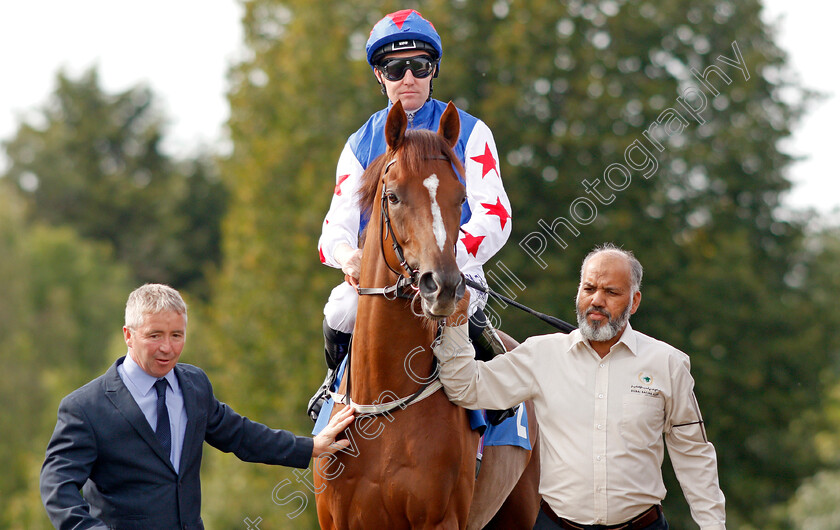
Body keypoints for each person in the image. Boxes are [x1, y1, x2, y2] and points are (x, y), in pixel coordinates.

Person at [310, 8, 513, 423]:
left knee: (463, 309)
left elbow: (495, 215)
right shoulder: (359, 144)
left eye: (419, 66)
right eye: (395, 67)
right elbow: (335, 227)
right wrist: (350, 258)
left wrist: (443, 258)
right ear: (379, 76)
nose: (408, 78)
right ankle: (333, 385)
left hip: (452, 272)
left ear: (433, 70)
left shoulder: (471, 132)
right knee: (340, 310)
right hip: (381, 281)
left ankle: (496, 416)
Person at [433, 244, 726, 529]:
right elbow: (465, 387)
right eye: (589, 289)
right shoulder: (541, 354)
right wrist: (457, 319)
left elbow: (694, 455)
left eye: (611, 292)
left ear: (634, 301)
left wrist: (713, 525)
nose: (597, 300)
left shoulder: (668, 363)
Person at [40, 283, 355, 530]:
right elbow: (58, 488)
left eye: (177, 335)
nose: (168, 347)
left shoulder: (194, 385)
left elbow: (240, 435)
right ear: (129, 335)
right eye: (155, 335)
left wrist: (311, 446)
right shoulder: (84, 408)